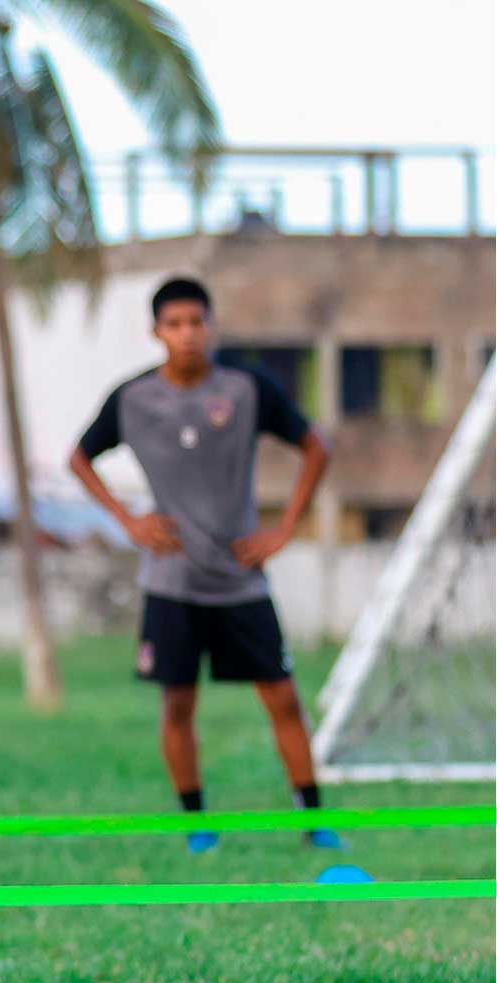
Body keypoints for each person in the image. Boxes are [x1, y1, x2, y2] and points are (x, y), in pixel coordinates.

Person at [69, 276, 339, 853]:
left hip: (240, 577)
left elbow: (316, 446)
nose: (187, 334)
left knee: (283, 697)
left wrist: (285, 526)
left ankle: (314, 821)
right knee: (178, 703)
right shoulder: (133, 399)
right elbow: (79, 458)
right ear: (156, 332)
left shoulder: (246, 389)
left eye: (197, 322)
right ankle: (196, 824)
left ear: (211, 326)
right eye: (175, 325)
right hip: (172, 582)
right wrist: (128, 520)